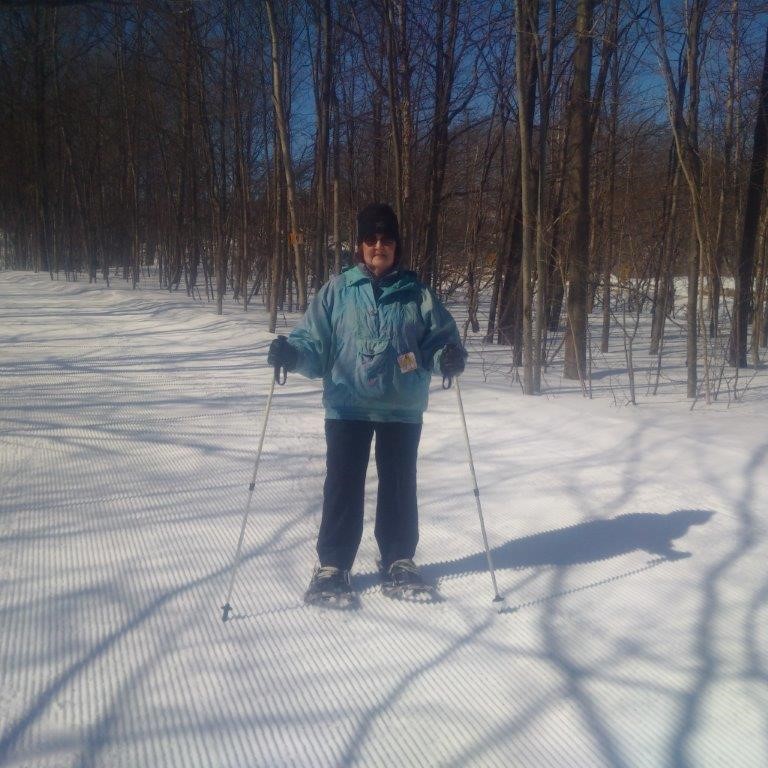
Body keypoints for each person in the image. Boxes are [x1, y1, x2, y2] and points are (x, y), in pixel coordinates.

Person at [268, 202, 466, 604]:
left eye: (387, 239)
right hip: (347, 404)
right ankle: (333, 566)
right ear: (359, 246)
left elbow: (439, 341)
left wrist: (448, 357)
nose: (380, 246)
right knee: (342, 484)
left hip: (401, 407)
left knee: (398, 484)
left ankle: (399, 560)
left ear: (397, 246)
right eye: (371, 239)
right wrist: (292, 353)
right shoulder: (338, 291)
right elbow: (314, 343)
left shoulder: (418, 293)